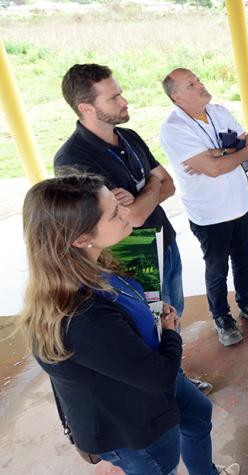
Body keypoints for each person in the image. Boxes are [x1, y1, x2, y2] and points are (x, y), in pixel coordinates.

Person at [17, 173, 238, 475]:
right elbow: (158, 376)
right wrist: (171, 333)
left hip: (145, 378)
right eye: (113, 212)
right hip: (135, 422)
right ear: (80, 238)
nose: (127, 212)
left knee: (199, 414)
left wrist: (151, 314)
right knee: (164, 466)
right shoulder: (81, 318)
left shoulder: (93, 263)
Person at [53, 63, 211, 395]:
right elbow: (134, 217)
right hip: (129, 258)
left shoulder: (129, 137)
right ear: (86, 108)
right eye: (114, 98)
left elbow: (168, 185)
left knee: (172, 315)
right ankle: (164, 389)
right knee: (144, 327)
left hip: (164, 242)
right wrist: (150, 188)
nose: (124, 102)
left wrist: (143, 196)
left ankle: (174, 375)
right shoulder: (73, 160)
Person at [160, 68, 248, 346]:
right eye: (192, 84)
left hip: (241, 204)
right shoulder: (174, 128)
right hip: (209, 214)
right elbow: (213, 169)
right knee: (217, 267)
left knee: (244, 260)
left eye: (198, 80)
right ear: (177, 96)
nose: (201, 85)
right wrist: (228, 155)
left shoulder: (219, 111)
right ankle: (221, 316)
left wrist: (221, 154)